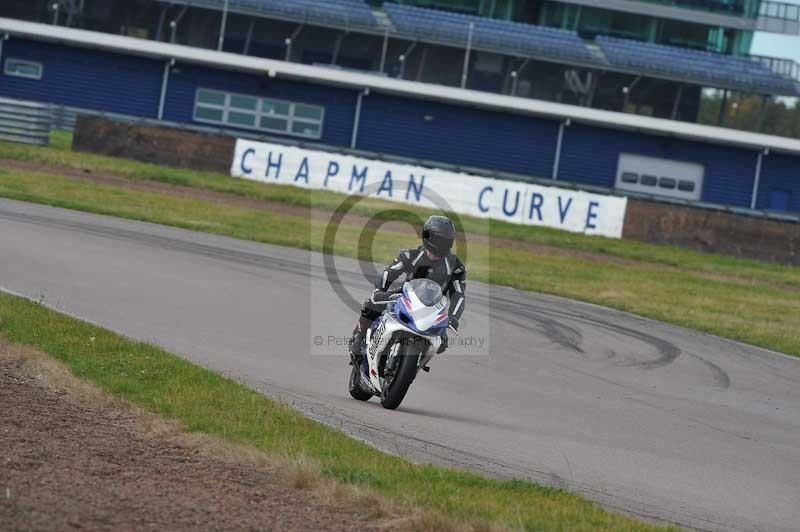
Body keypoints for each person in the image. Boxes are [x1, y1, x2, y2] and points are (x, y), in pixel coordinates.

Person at [349, 215, 466, 362]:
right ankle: (358, 337)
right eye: (439, 240)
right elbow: (390, 272)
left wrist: (453, 318)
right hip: (405, 296)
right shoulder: (411, 255)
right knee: (370, 305)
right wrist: (380, 290)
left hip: (433, 309)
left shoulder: (456, 267)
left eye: (445, 241)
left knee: (442, 344)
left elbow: (459, 295)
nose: (441, 245)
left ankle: (412, 364)